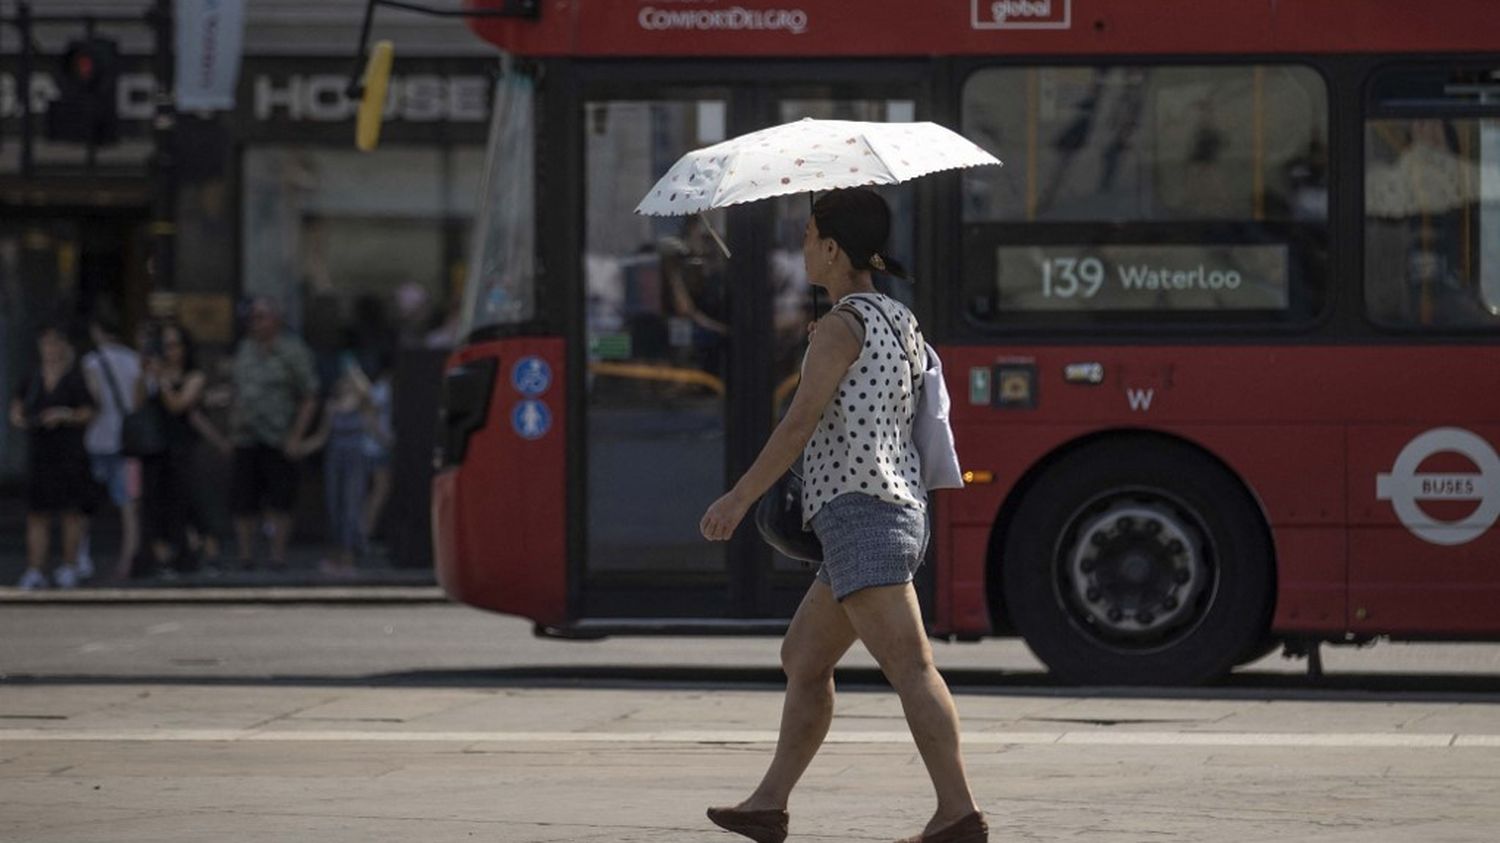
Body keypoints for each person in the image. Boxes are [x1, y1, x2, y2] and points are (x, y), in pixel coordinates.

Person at [699, 189, 986, 843]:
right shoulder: (893, 318)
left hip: (863, 514)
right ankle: (769, 802)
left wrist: (738, 498)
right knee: (803, 654)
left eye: (807, 235)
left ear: (831, 247)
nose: (801, 246)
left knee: (911, 666)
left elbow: (798, 423)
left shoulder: (840, 327)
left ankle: (958, 812)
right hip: (888, 509)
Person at [228, 297, 319, 571]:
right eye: (252, 317)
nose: (255, 323)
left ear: (275, 320)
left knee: (280, 498)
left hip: (279, 435)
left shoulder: (292, 351)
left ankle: (277, 556)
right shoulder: (245, 349)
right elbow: (237, 390)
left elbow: (309, 395)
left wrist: (296, 436)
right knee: (244, 499)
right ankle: (245, 556)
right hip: (245, 436)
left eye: (261, 317)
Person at [9, 322, 97, 590]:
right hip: (40, 453)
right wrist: (22, 419)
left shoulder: (74, 377)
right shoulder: (33, 377)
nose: (50, 349)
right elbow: (17, 407)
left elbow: (90, 410)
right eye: (46, 344)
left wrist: (65, 415)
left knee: (71, 513)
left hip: (69, 454)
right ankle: (35, 568)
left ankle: (70, 565)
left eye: (55, 343)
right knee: (37, 515)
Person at [294, 351, 387, 577]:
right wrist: (299, 447)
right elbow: (321, 437)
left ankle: (349, 556)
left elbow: (369, 402)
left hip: (355, 460)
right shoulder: (332, 406)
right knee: (335, 505)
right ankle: (335, 555)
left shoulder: (363, 404)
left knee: (352, 505)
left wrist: (353, 370)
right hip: (334, 460)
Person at [134, 322, 207, 577]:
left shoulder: (193, 376)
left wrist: (163, 380)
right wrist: (146, 376)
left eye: (174, 345)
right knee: (153, 504)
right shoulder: (154, 374)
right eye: (165, 346)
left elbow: (178, 405)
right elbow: (137, 403)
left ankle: (185, 554)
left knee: (181, 502)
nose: (169, 351)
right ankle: (156, 556)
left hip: (181, 447)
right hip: (154, 448)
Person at [80, 310, 142, 583]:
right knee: (128, 506)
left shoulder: (92, 361)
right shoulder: (134, 360)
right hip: (127, 441)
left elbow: (95, 402)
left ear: (97, 331)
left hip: (98, 439)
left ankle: (80, 557)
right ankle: (127, 561)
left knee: (84, 506)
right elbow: (140, 401)